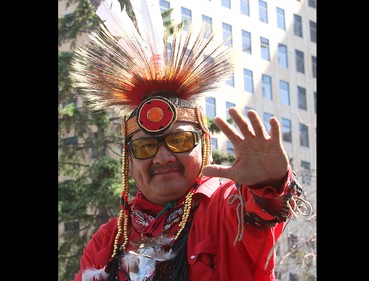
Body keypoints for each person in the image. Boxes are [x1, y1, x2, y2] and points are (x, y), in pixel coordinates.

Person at [70, 1, 311, 280]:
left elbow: (262, 211)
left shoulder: (226, 207)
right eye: (146, 147)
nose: (162, 158)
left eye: (180, 141)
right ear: (129, 160)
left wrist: (269, 185)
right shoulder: (108, 240)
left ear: (204, 144)